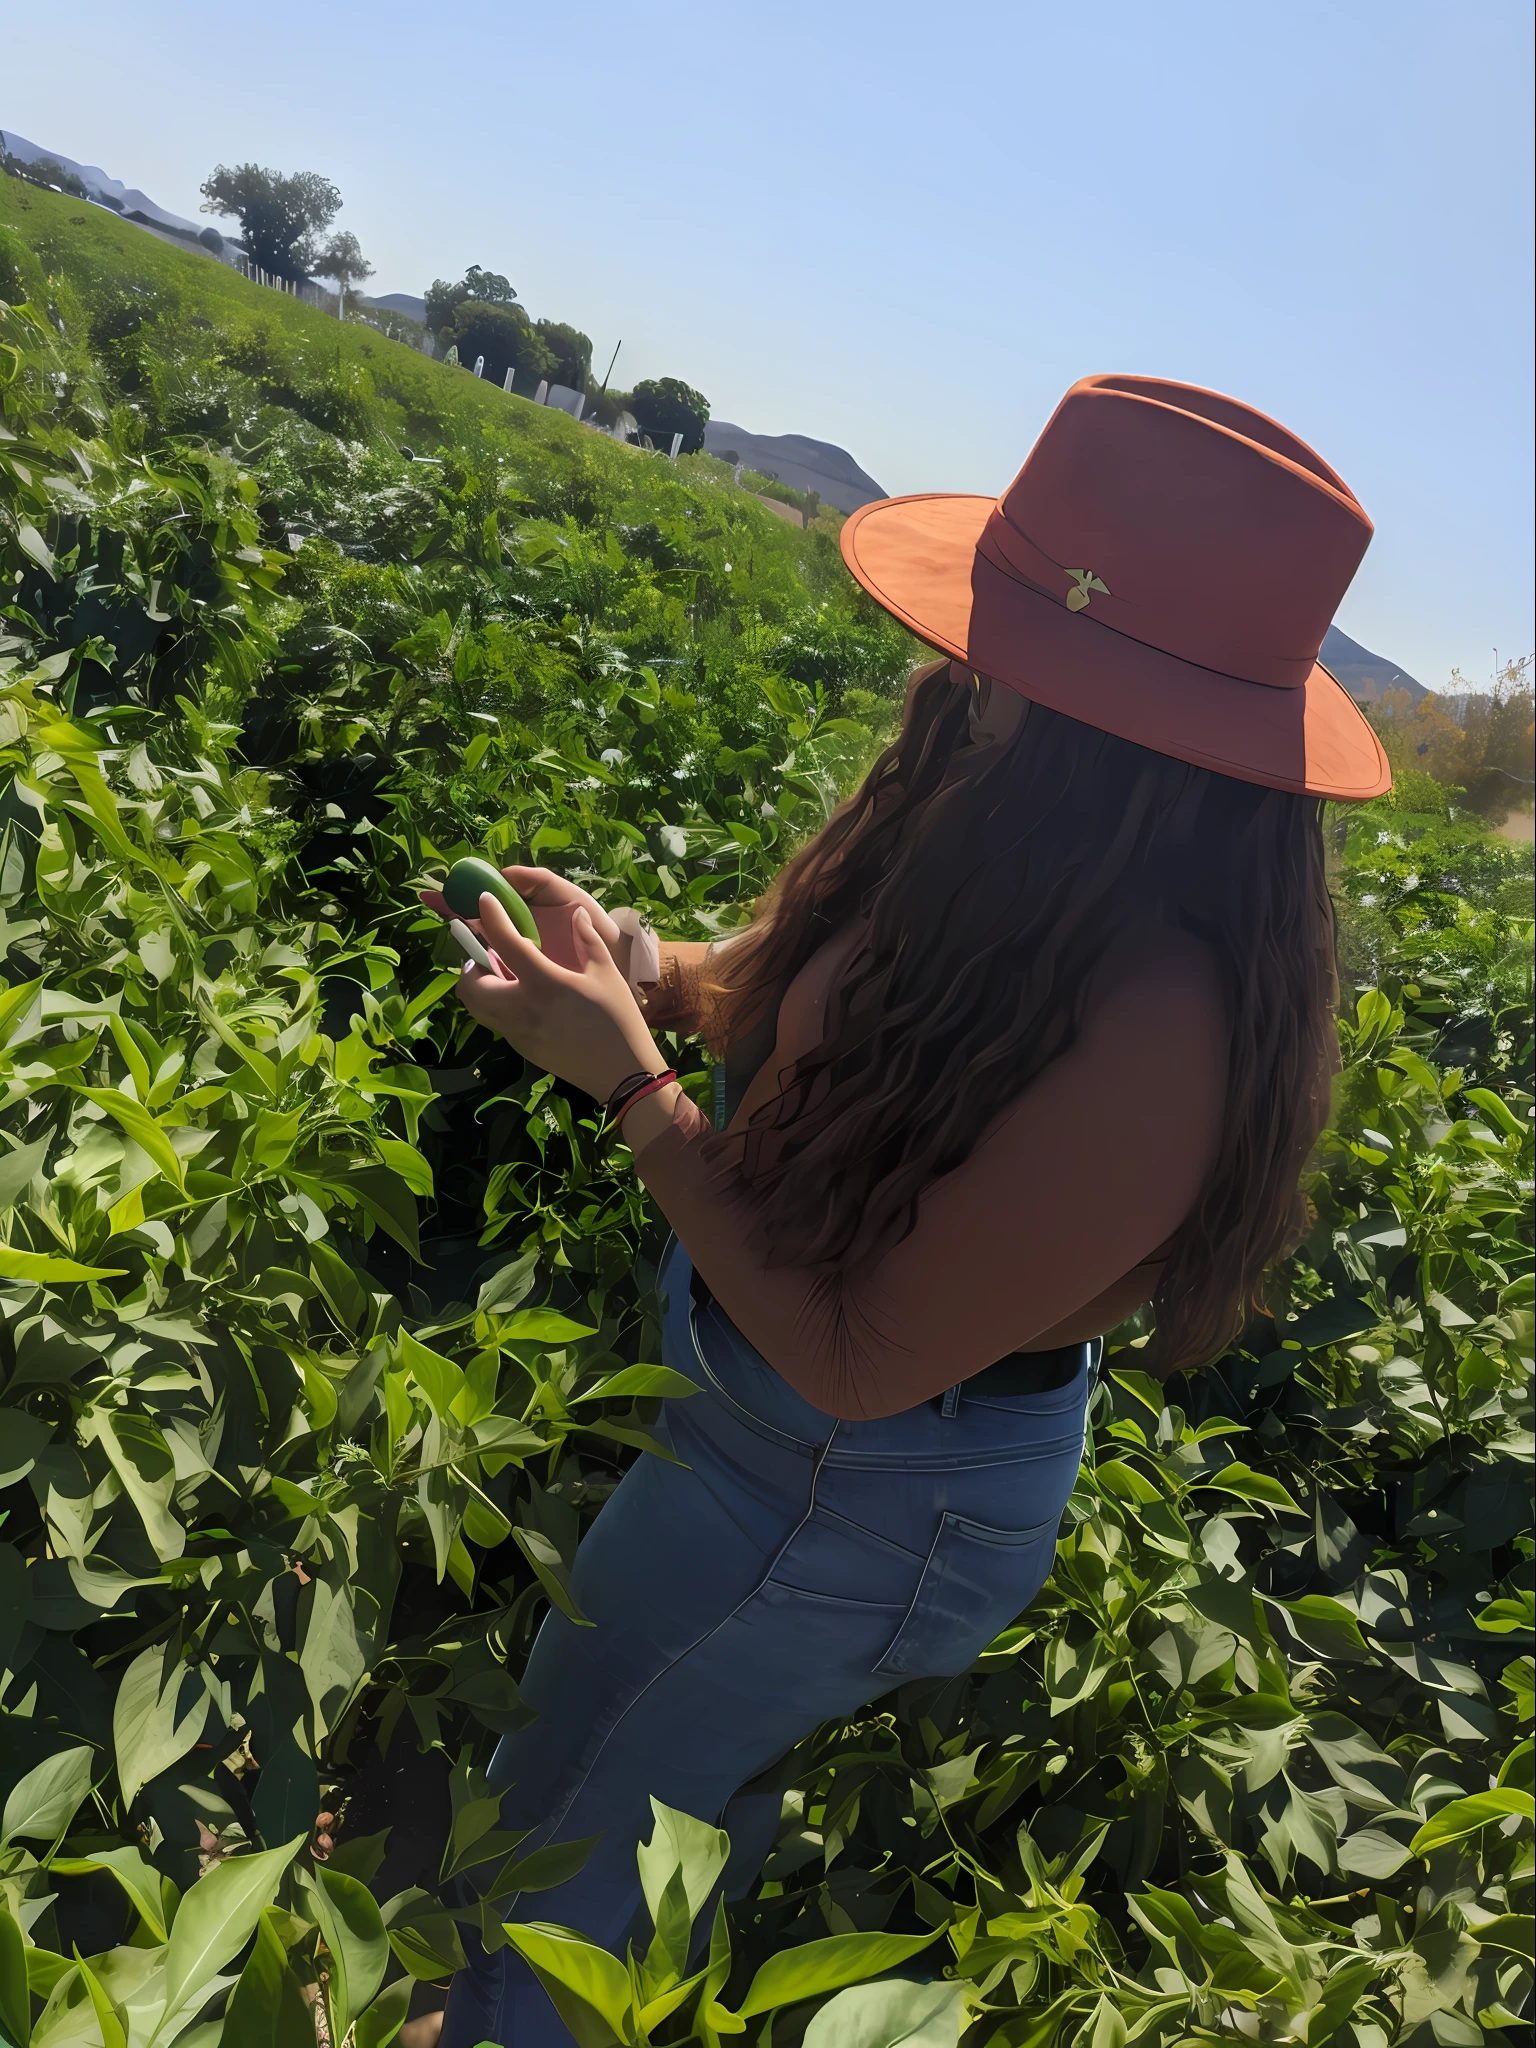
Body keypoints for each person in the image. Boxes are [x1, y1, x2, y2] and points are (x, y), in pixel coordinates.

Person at [431, 375, 1390, 2048]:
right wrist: (653, 973)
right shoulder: (1004, 804)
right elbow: (815, 993)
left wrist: (634, 1089)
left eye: (1016, 640)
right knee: (637, 1766)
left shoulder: (1168, 1021)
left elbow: (855, 1359)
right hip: (769, 1434)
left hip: (852, 1485)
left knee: (581, 1804)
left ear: (1123, 718)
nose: (963, 666)